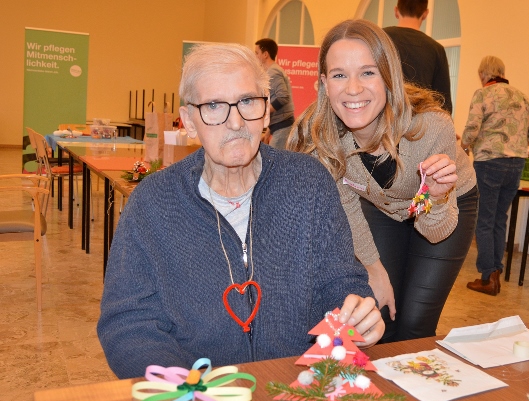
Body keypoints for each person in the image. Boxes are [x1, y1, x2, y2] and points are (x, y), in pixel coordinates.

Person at [97, 43, 383, 379]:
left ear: (265, 112)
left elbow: (342, 282)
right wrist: (188, 387)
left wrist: (357, 314)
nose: (235, 122)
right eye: (214, 106)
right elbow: (128, 323)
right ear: (189, 121)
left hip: (299, 386)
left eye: (247, 101)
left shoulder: (309, 183)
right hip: (198, 394)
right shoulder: (153, 203)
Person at [288, 20, 477, 342]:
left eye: (367, 72)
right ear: (324, 84)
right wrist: (374, 272)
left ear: (389, 77)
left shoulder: (431, 128)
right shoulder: (324, 139)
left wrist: (436, 196)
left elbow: (434, 231)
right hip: (383, 208)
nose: (353, 89)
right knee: (380, 313)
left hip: (442, 203)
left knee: (415, 322)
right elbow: (348, 207)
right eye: (339, 75)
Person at [461, 56, 529, 296]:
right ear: (502, 72)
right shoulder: (522, 96)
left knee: (484, 220)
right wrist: (515, 145)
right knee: (499, 219)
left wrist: (464, 146)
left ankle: (488, 277)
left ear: (483, 74)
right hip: (517, 164)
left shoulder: (483, 94)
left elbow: (472, 128)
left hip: (489, 162)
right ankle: (495, 272)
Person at [384, 0, 452, 114]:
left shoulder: (380, 38)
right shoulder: (436, 49)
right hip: (419, 120)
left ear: (396, 11)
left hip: (384, 117)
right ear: (425, 14)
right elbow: (444, 105)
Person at [254, 38, 295, 149]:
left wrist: (264, 111)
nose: (255, 56)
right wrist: (268, 132)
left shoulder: (273, 72)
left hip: (283, 126)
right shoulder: (272, 71)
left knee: (273, 159)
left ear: (265, 54)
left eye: (257, 53)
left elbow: (282, 97)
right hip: (279, 126)